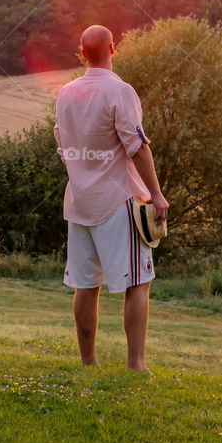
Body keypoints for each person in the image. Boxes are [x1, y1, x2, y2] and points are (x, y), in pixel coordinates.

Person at [54, 24, 169, 372]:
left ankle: (88, 362)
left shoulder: (65, 93)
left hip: (79, 201)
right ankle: (136, 364)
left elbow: (63, 146)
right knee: (139, 281)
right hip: (118, 201)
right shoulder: (120, 91)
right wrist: (156, 194)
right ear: (113, 48)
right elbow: (137, 146)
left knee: (85, 285)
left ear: (82, 52)